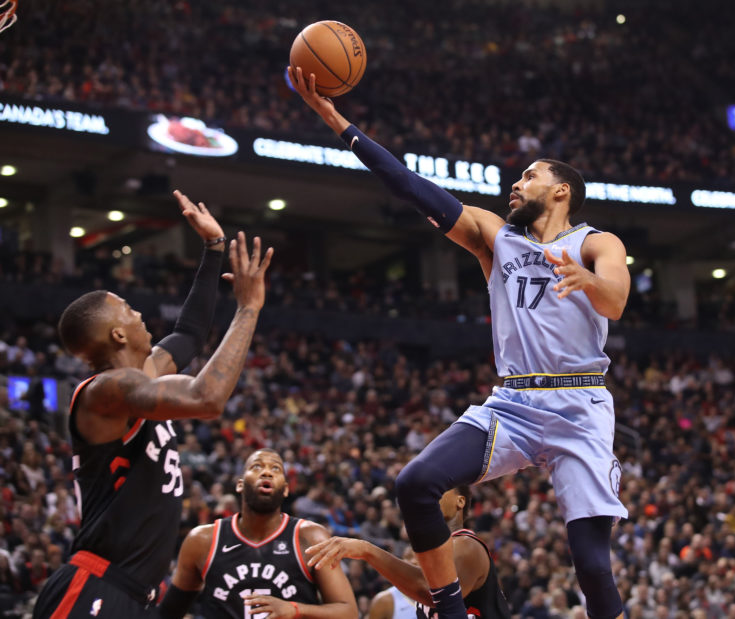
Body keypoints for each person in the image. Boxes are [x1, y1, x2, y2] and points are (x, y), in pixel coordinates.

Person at [290, 67, 630, 619]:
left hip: (580, 406)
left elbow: (615, 299)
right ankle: (449, 612)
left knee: (591, 563)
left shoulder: (596, 242)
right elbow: (409, 184)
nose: (515, 185)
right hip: (515, 402)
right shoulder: (496, 239)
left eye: (528, 176)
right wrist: (339, 124)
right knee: (416, 482)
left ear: (561, 190)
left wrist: (591, 281)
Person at [33, 192, 274, 619]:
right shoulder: (105, 391)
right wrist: (248, 308)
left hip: (132, 592)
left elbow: (190, 333)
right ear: (117, 336)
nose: (138, 312)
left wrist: (212, 250)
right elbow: (207, 398)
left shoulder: (143, 375)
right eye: (126, 309)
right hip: (94, 588)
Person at [159, 449, 358, 619]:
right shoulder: (202, 540)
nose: (266, 472)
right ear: (239, 484)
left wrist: (295, 609)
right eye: (256, 467)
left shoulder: (310, 537)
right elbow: (168, 613)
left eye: (275, 469)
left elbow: (348, 612)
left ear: (286, 489)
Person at [306, 486, 510, 619]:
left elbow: (435, 594)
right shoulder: (435, 554)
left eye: (440, 488)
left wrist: (366, 550)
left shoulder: (466, 544)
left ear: (460, 501)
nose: (428, 494)